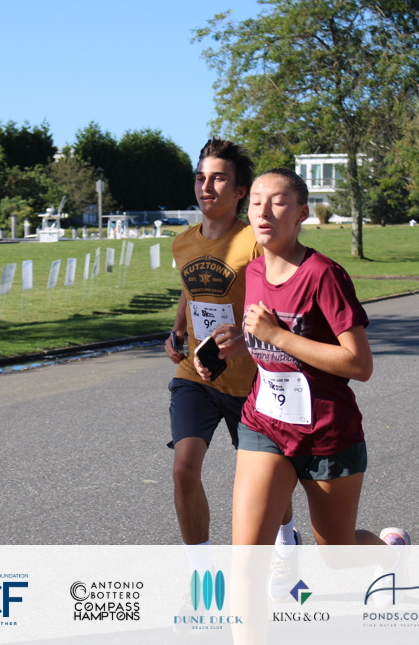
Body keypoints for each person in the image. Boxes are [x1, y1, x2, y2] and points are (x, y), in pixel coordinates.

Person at [199, 167, 408, 551]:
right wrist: (236, 346)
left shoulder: (323, 275)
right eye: (256, 203)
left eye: (278, 203)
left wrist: (277, 335)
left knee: (339, 555)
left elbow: (359, 365)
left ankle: (390, 554)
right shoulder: (254, 271)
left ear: (302, 214)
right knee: (247, 559)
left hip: (326, 434)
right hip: (264, 426)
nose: (263, 212)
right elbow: (266, 334)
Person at [165, 141, 297, 596]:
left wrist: (249, 340)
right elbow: (190, 289)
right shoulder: (183, 242)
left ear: (240, 191)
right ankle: (201, 575)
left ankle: (286, 545)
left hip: (254, 381)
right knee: (184, 468)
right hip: (196, 375)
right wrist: (177, 329)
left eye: (219, 178)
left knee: (267, 484)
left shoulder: (255, 242)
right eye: (201, 177)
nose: (206, 186)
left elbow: (279, 301)